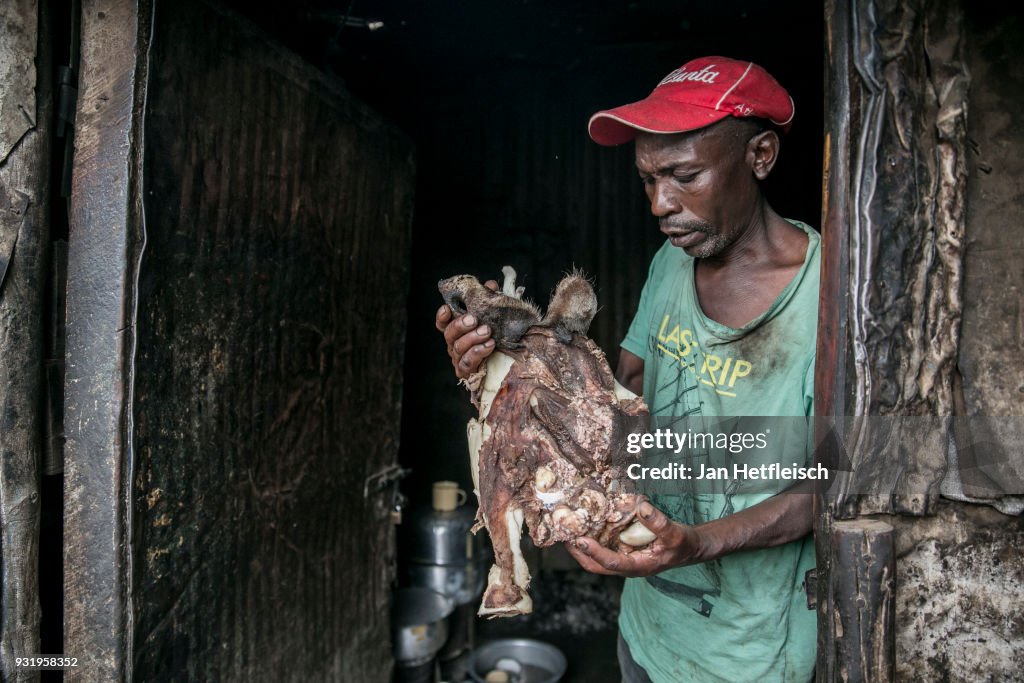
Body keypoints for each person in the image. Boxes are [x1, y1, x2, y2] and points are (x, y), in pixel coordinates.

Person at [436, 56, 818, 682]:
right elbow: (625, 397)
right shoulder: (673, 260)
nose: (661, 204)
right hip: (645, 632)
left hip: (749, 656)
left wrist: (695, 544)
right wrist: (503, 371)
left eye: (684, 175)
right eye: (647, 180)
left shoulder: (826, 299)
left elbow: (830, 486)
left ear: (762, 155)